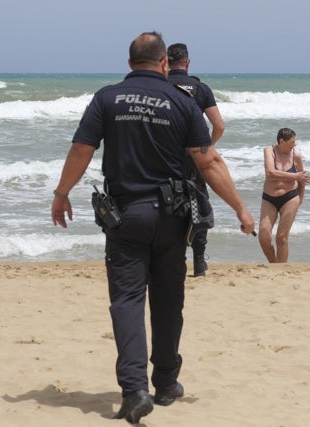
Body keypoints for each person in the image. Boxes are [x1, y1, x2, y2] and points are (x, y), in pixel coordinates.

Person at [50, 31, 255, 424]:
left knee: (127, 301)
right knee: (167, 301)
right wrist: (241, 209)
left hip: (126, 216)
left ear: (129, 64)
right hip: (172, 218)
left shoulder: (107, 97)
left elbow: (81, 149)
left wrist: (62, 194)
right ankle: (164, 383)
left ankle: (134, 391)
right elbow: (208, 162)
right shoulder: (182, 101)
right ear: (165, 63)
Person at [167, 43, 226, 277]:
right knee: (198, 201)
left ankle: (175, 259)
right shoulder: (200, 88)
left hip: (166, 155)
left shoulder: (160, 86)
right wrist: (207, 147)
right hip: (194, 155)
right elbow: (219, 125)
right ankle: (199, 261)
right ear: (187, 62)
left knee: (169, 203)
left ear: (165, 62)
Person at [258, 128, 310, 263]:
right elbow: (270, 172)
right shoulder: (269, 151)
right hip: (269, 198)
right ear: (282, 141)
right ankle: (274, 263)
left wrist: (300, 198)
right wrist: (294, 176)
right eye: (292, 141)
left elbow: (302, 179)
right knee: (264, 238)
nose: (295, 144)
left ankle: (280, 269)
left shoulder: (296, 156)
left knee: (281, 238)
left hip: (290, 197)